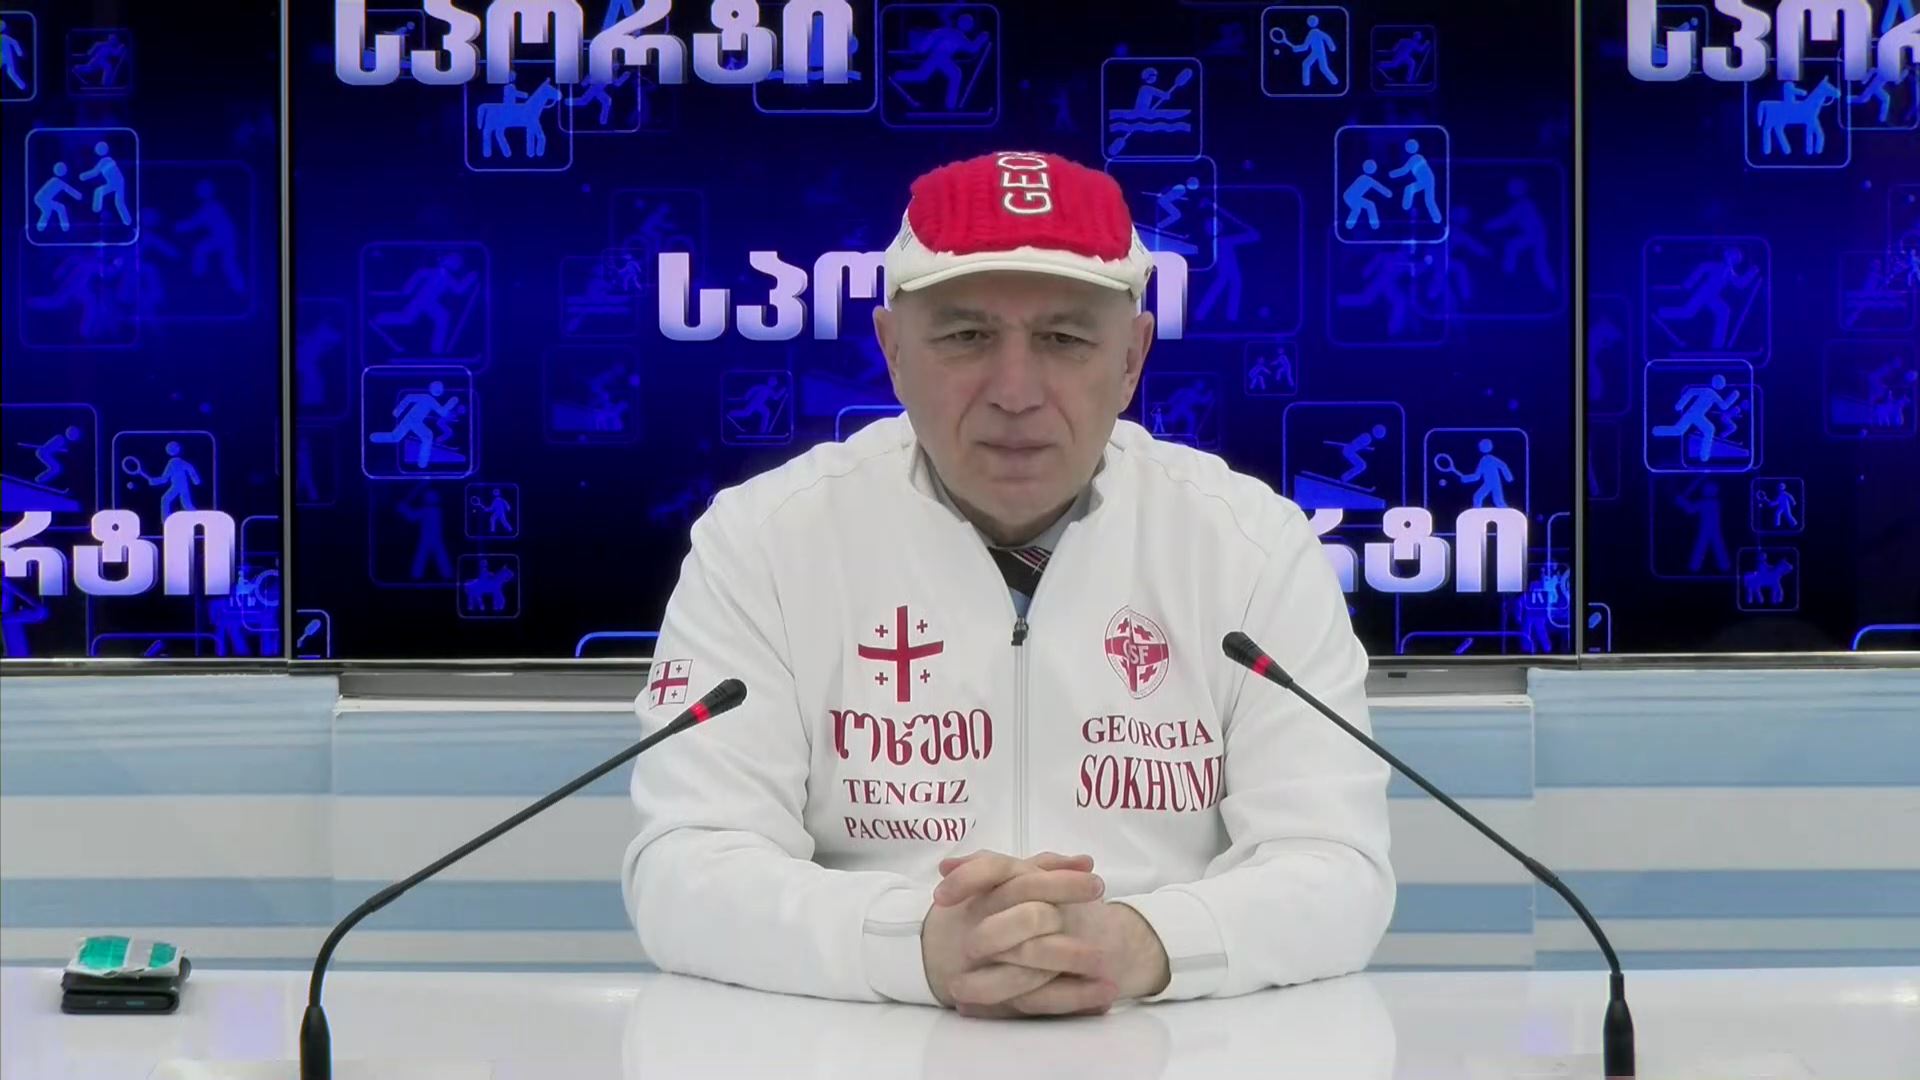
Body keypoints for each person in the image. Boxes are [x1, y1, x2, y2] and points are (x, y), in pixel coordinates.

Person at [624, 152, 1393, 1015]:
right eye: (967, 337)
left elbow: (1338, 868)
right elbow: (684, 868)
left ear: (1132, 357)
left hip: (1171, 1042)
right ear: (892, 350)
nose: (1016, 392)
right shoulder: (764, 542)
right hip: (860, 1040)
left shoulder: (1251, 548)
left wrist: (1138, 942)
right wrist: (917, 944)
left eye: (1064, 340)